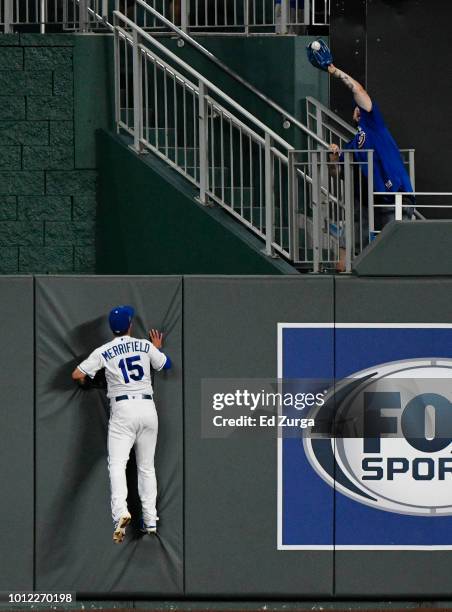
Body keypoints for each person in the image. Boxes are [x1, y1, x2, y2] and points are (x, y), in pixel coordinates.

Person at [307, 41, 414, 268]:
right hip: (367, 201)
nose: (357, 106)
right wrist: (333, 158)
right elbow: (338, 174)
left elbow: (358, 90)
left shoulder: (373, 123)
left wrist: (333, 71)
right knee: (351, 242)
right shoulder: (353, 144)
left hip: (394, 196)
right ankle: (342, 279)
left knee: (397, 255)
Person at [71, 305, 172, 544]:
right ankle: (150, 520)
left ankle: (121, 513)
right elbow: (165, 365)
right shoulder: (144, 345)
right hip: (147, 409)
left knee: (117, 465)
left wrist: (91, 379)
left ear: (112, 328)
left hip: (123, 410)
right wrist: (156, 349)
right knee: (146, 467)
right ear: (129, 325)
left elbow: (77, 375)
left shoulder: (104, 350)